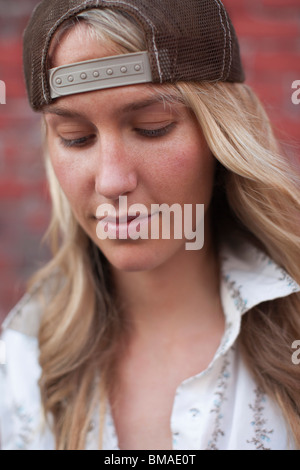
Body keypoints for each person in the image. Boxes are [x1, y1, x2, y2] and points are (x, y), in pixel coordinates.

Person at [0, 0, 300, 451]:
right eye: (76, 138)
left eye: (152, 127)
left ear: (221, 133)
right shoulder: (21, 361)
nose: (112, 180)